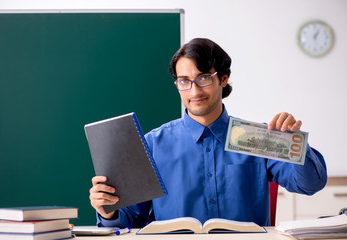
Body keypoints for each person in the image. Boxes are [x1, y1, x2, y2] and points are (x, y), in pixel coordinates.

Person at [89, 38, 327, 228]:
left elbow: (310, 185)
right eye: (184, 81)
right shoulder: (152, 145)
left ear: (223, 79)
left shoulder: (258, 138)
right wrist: (107, 211)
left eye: (203, 78)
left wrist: (295, 142)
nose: (194, 90)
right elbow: (133, 221)